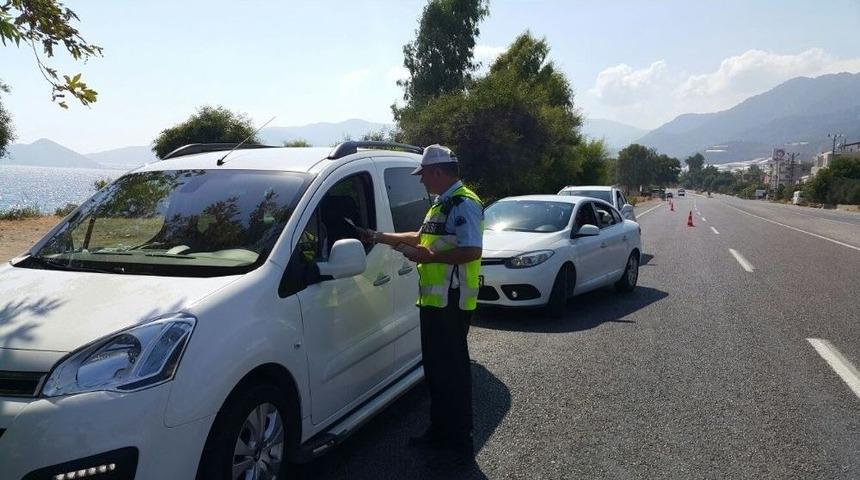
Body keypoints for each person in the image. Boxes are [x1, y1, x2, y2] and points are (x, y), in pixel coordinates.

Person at [363, 144, 483, 466]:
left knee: (453, 371)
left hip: (452, 300)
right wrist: (379, 236)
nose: (421, 181)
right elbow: (419, 237)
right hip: (434, 299)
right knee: (436, 369)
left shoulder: (464, 203)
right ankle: (439, 431)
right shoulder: (441, 205)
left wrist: (433, 258)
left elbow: (472, 250)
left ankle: (459, 440)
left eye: (424, 175)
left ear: (438, 172)